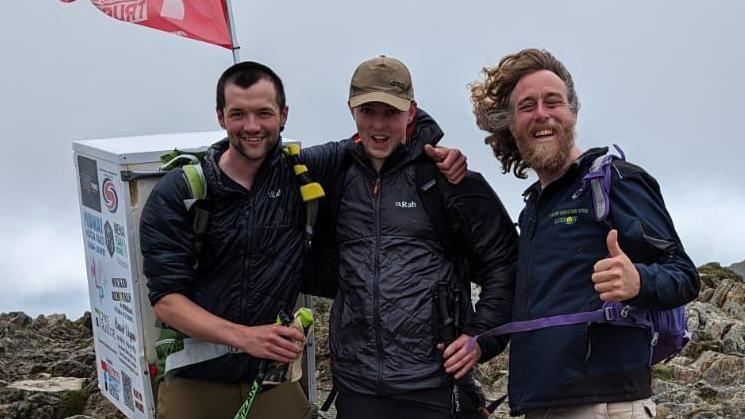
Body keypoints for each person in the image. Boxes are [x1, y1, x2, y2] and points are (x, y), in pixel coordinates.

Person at [140, 61, 467, 419]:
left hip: (269, 381)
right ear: (220, 117)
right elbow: (167, 302)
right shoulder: (182, 192)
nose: (252, 126)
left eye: (263, 113)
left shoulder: (301, 173)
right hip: (196, 378)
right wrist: (246, 337)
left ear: (283, 115)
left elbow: (383, 132)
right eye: (238, 114)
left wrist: (442, 155)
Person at [469, 48, 700, 418]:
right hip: (542, 403)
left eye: (553, 101)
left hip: (608, 403)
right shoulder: (534, 208)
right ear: (511, 124)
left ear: (573, 111)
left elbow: (684, 276)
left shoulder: (616, 181)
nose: (541, 114)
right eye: (527, 106)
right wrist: (479, 344)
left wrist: (639, 280)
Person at [309, 55, 518, 419]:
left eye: (390, 112)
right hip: (357, 387)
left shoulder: (447, 180)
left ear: (410, 112)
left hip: (434, 385)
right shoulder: (335, 177)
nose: (378, 124)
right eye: (367, 110)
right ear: (350, 110)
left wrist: (481, 337)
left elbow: (504, 264)